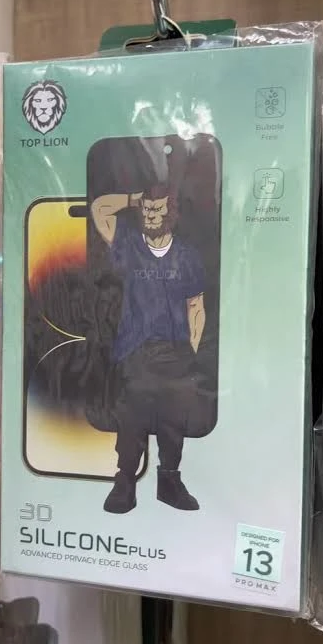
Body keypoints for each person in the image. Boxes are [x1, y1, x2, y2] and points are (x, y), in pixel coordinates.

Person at [91, 184, 206, 513]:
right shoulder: (127, 244)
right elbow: (100, 208)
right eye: (147, 210)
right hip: (136, 350)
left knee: (174, 420)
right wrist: (133, 199)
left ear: (172, 213)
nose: (151, 215)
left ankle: (169, 482)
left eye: (158, 209)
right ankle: (125, 482)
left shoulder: (187, 256)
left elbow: (196, 306)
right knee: (132, 419)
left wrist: (190, 354)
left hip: (176, 351)